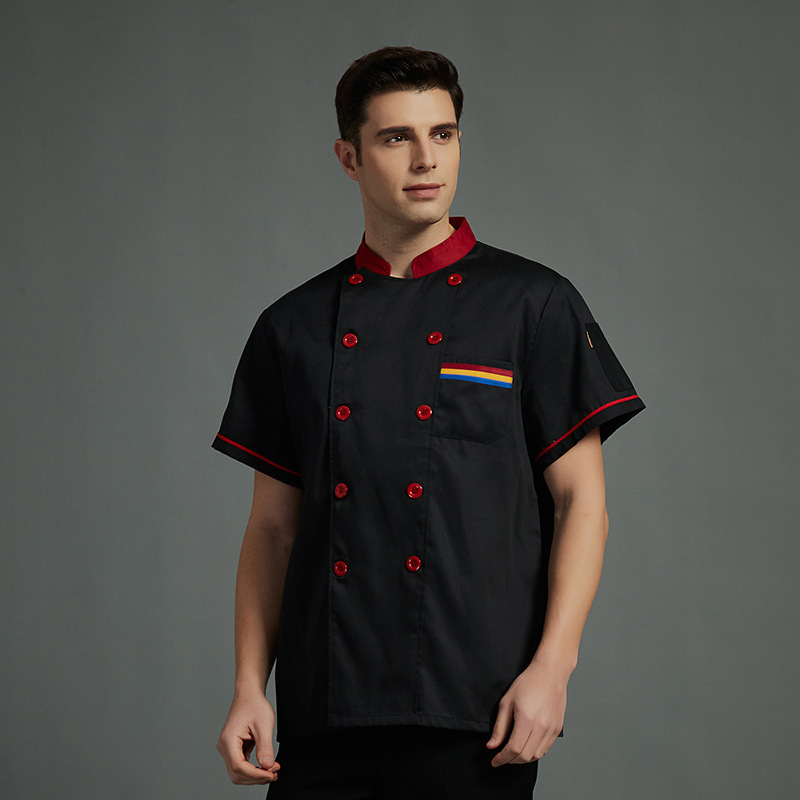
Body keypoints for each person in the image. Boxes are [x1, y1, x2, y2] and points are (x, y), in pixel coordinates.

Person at [212, 46, 645, 799]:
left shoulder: (533, 303)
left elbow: (583, 504)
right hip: (325, 706)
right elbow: (273, 530)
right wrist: (251, 685)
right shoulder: (293, 326)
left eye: (442, 134)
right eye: (396, 138)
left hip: (477, 707)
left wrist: (553, 668)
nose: (426, 159)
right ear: (349, 158)